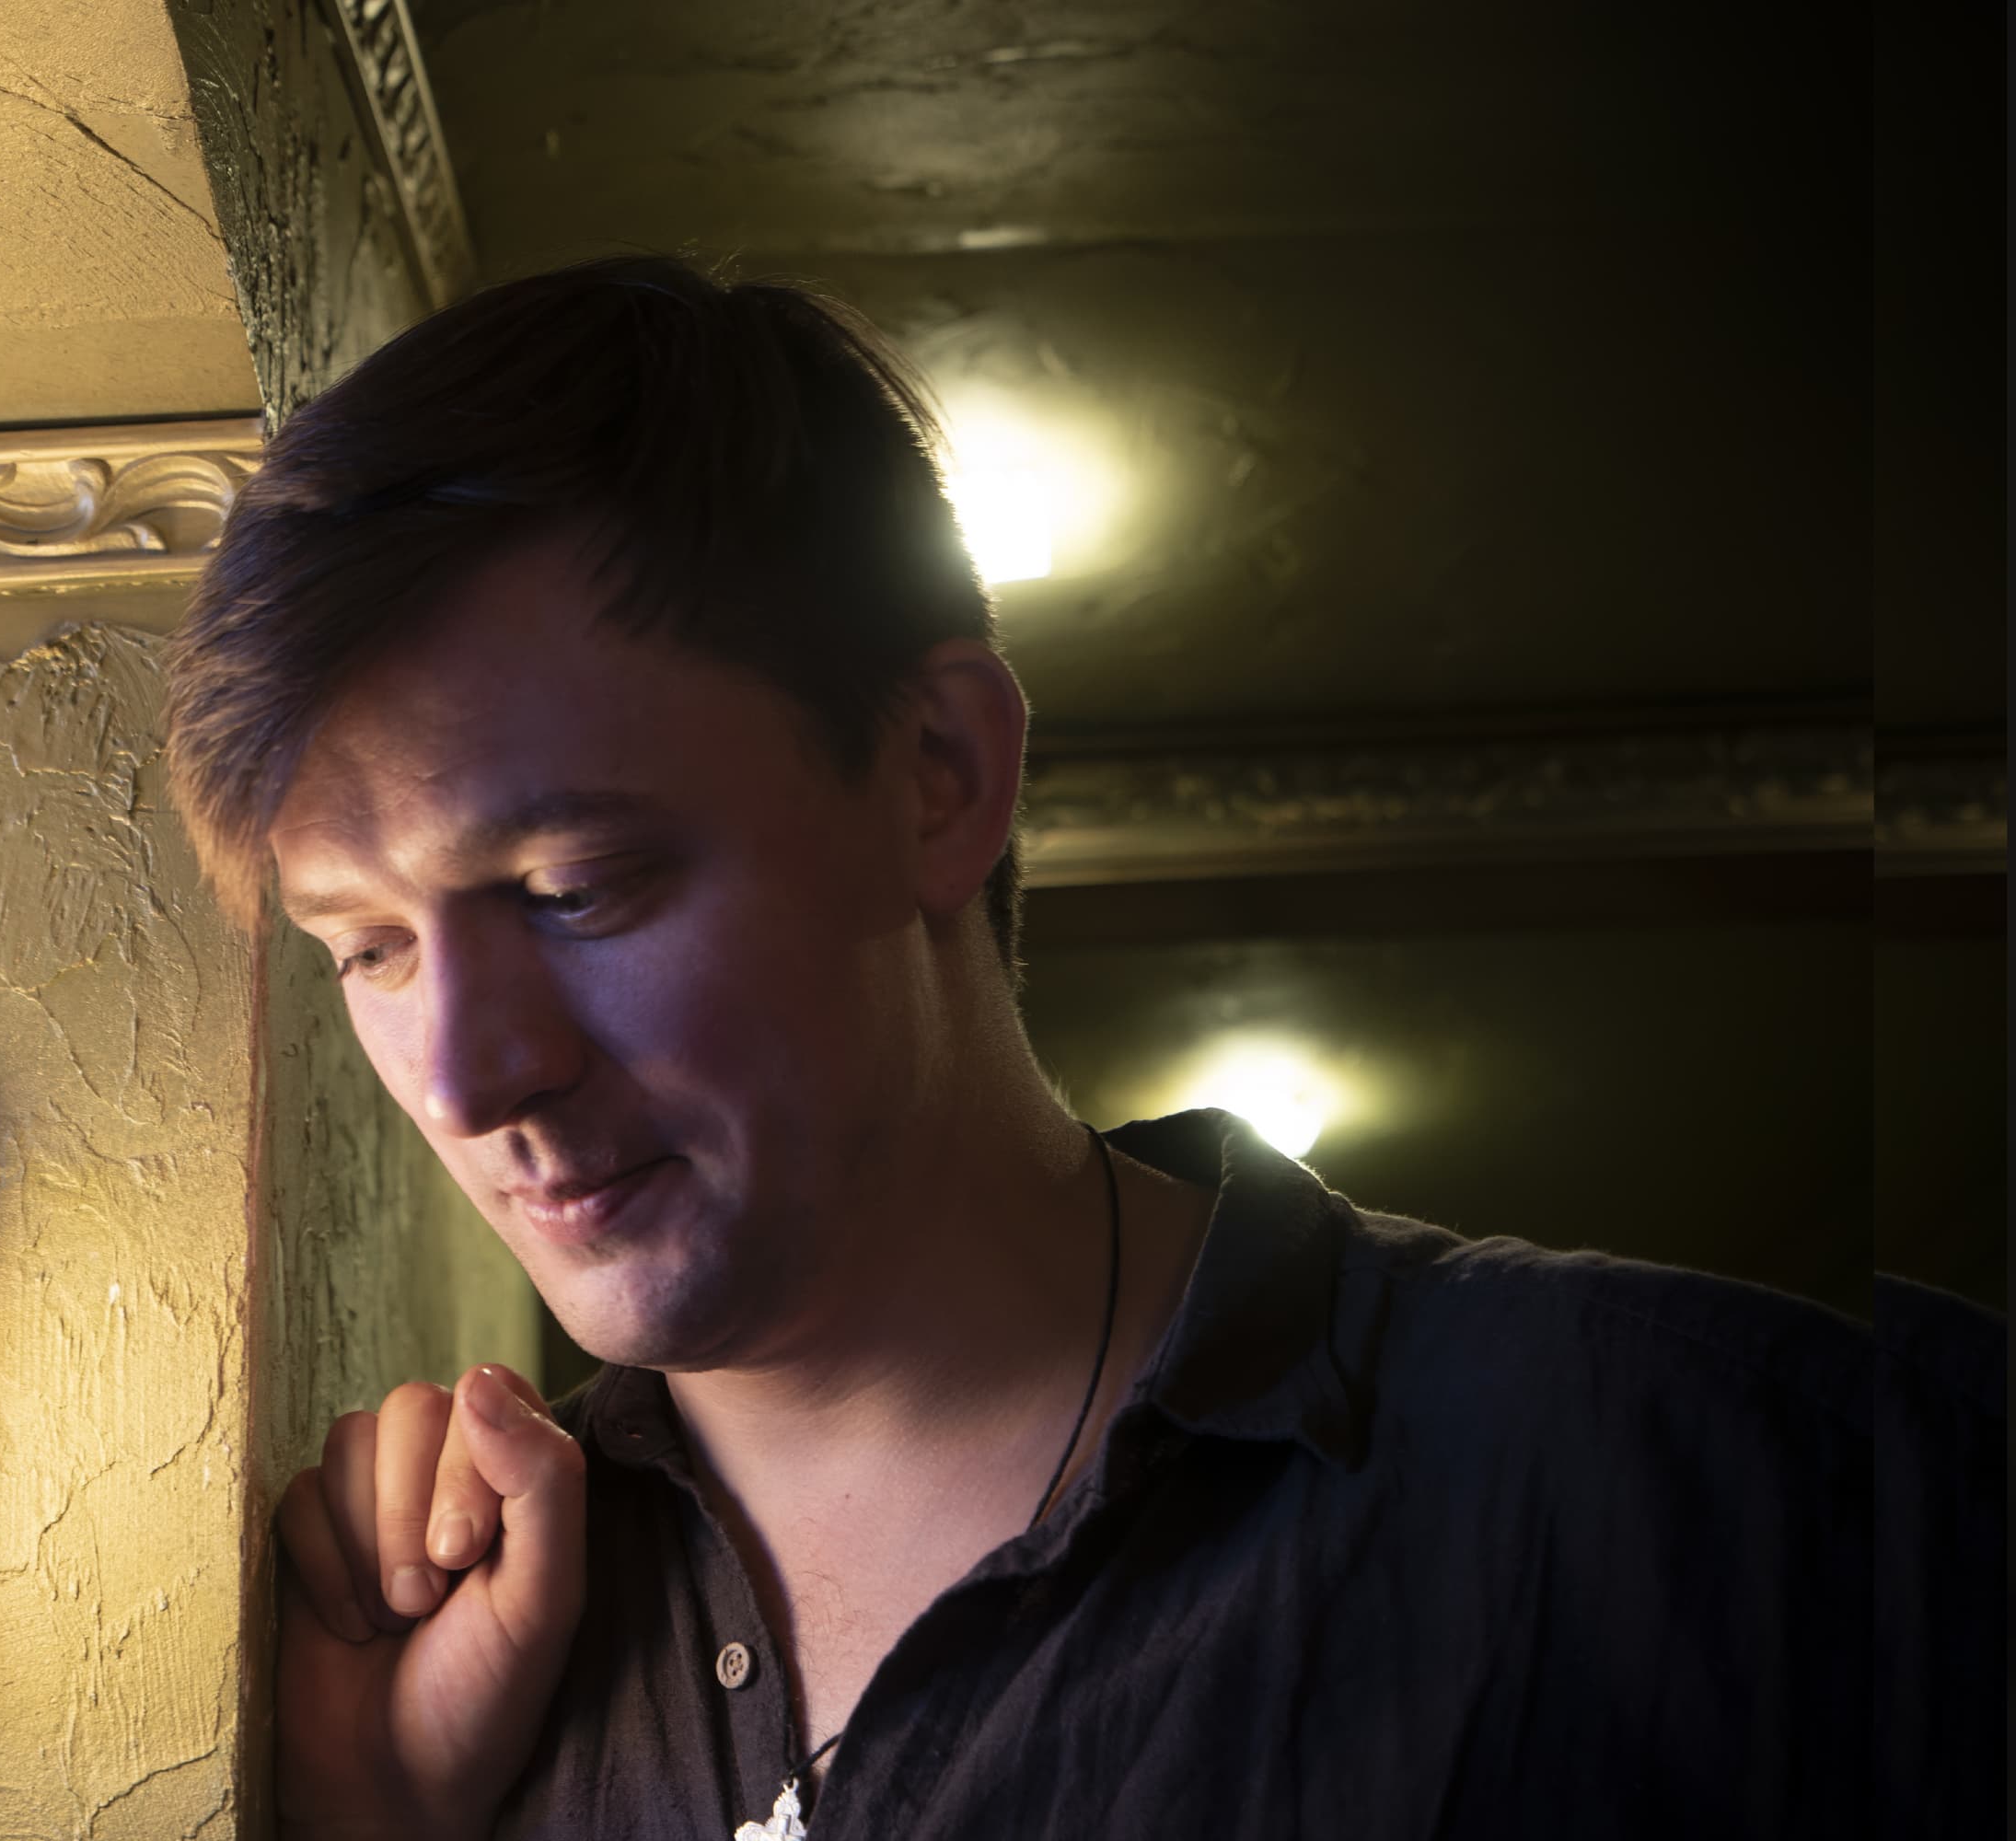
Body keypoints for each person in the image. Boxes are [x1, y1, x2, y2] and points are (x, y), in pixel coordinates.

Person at [158, 258, 1906, 1839]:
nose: (465, 1081)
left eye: (574, 890)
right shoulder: (441, 1680)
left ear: (939, 777)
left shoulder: (1726, 1485)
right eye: (367, 949)